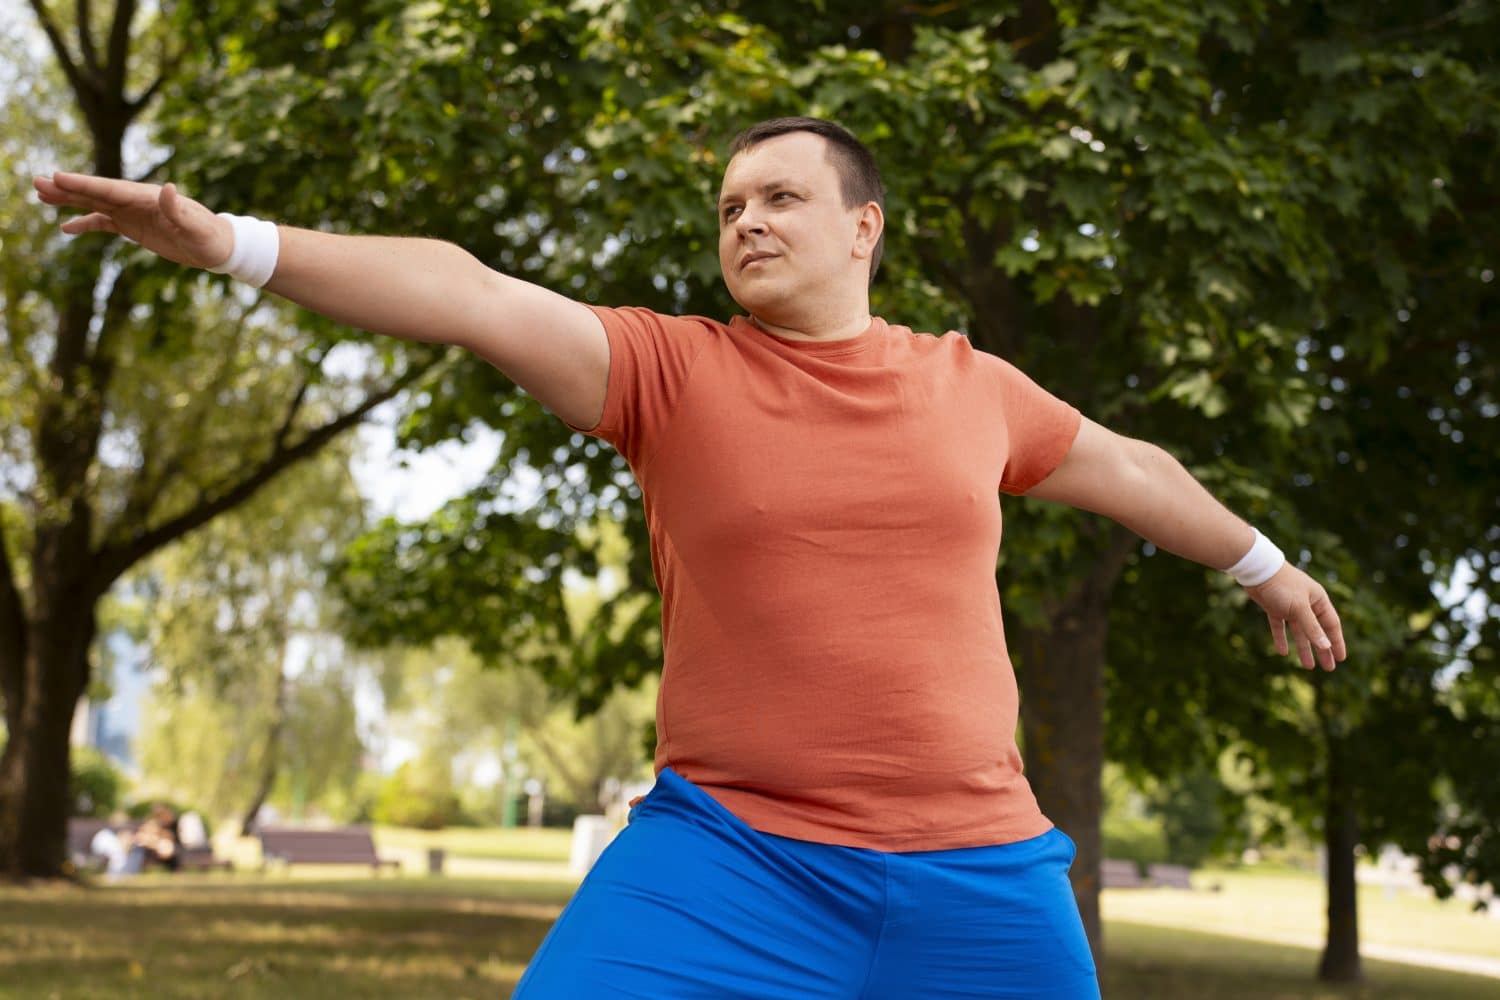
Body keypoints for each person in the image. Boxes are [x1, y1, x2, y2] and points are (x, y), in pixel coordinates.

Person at [35, 116, 1344, 998]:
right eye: (729, 205)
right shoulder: (671, 372)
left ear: (864, 229)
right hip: (730, 862)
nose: (748, 220)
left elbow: (1133, 472)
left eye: (782, 197)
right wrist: (233, 244)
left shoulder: (972, 387)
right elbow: (470, 288)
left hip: (983, 875)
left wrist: (1264, 566)